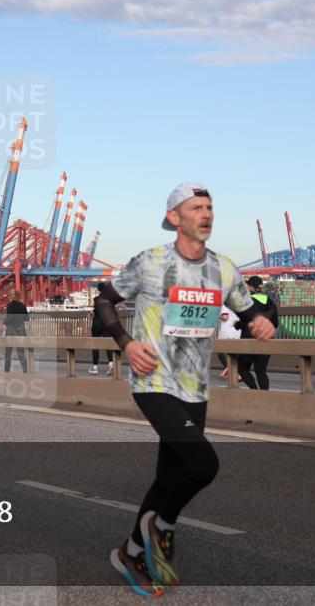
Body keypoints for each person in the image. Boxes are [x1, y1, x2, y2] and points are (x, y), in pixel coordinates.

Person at [94, 182, 274, 595]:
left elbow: (250, 312)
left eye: (210, 207)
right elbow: (104, 302)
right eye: (196, 207)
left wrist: (262, 322)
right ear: (175, 217)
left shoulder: (224, 268)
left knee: (168, 477)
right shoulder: (151, 261)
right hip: (153, 379)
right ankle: (163, 527)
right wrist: (127, 342)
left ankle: (130, 552)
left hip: (196, 386)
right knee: (203, 465)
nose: (206, 214)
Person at [235, 276, 278, 391]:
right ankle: (265, 396)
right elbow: (275, 323)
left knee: (242, 368)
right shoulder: (270, 302)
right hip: (266, 340)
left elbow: (244, 321)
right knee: (261, 371)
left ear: (251, 287)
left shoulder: (246, 302)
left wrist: (237, 325)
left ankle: (254, 391)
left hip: (248, 340)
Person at [89, 285, 118, 375]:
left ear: (98, 290)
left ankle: (95, 368)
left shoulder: (96, 299)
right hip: (106, 324)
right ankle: (111, 365)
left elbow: (96, 310)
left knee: (95, 345)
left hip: (97, 325)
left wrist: (92, 313)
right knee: (107, 345)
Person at [3, 290, 30, 373]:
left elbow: (10, 317)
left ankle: (7, 371)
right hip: (21, 330)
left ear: (11, 296)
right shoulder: (22, 306)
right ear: (19, 296)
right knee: (21, 353)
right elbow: (27, 318)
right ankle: (25, 371)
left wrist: (5, 323)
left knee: (8, 352)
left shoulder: (10, 306)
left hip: (11, 330)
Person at [215, 307, 241, 379]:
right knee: (234, 353)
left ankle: (228, 368)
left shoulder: (225, 305)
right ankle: (234, 372)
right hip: (237, 332)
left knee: (218, 350)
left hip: (226, 332)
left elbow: (225, 317)